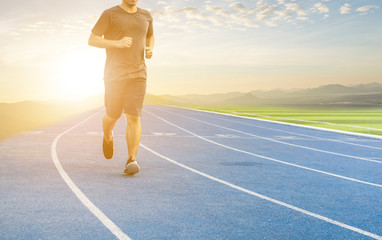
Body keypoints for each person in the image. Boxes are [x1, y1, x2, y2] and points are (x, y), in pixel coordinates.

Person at [88, 0, 154, 175]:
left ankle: (131, 160)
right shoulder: (110, 14)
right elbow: (92, 40)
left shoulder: (146, 15)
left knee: (133, 116)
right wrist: (117, 43)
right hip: (114, 75)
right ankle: (107, 136)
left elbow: (149, 36)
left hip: (139, 74)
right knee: (113, 115)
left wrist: (150, 48)